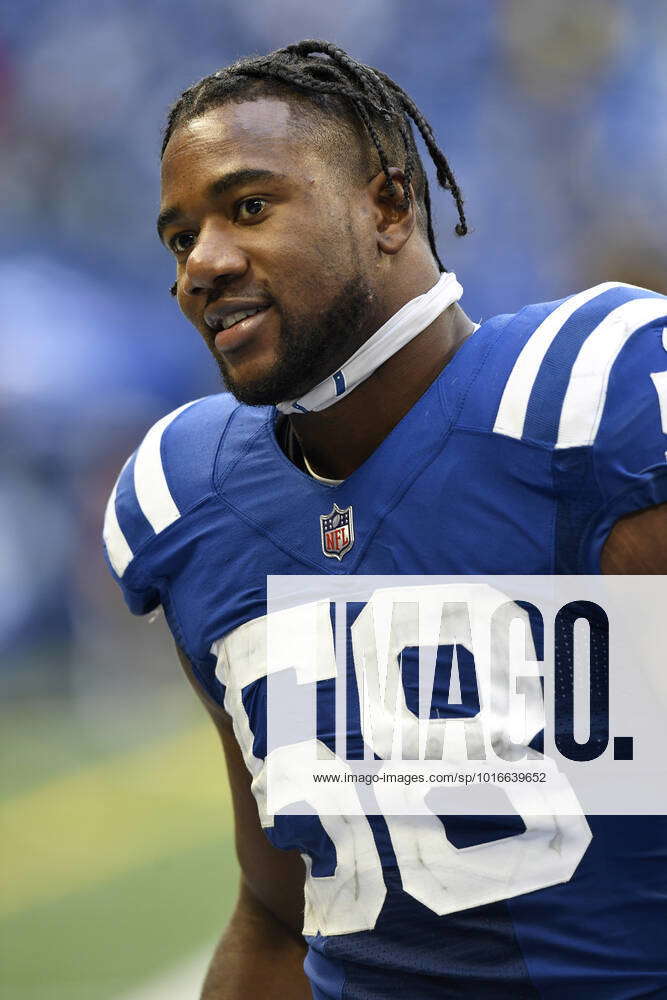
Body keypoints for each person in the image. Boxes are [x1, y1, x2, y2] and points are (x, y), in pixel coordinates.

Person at [103, 40, 667, 1000]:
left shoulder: (588, 408)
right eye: (178, 238)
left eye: (247, 207)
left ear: (389, 206)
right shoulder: (188, 499)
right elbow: (280, 915)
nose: (201, 264)